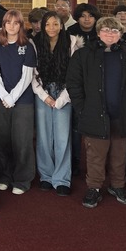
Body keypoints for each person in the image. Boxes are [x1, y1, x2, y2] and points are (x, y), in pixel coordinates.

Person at [67, 16, 126, 208]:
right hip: (94, 113)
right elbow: (74, 84)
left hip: (124, 113)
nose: (110, 34)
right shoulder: (83, 55)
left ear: (121, 34)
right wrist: (82, 108)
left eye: (114, 31)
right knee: (96, 153)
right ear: (98, 33)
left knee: (119, 153)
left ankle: (117, 185)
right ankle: (94, 188)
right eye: (105, 30)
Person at [33, 11, 83, 195]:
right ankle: (46, 175)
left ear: (62, 25)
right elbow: (32, 73)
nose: (51, 28)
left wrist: (62, 98)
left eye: (55, 24)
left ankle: (62, 178)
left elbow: (75, 74)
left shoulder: (71, 42)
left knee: (63, 137)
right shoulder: (36, 43)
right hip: (42, 93)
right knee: (44, 136)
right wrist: (43, 95)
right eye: (47, 24)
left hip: (64, 93)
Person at [0, 9, 36, 194]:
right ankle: (4, 175)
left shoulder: (28, 46)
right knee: (1, 141)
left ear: (21, 25)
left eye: (16, 23)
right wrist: (4, 97)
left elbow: (27, 76)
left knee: (22, 141)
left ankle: (22, 179)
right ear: (3, 24)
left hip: (23, 101)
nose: (11, 26)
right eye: (8, 22)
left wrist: (12, 97)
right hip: (0, 100)